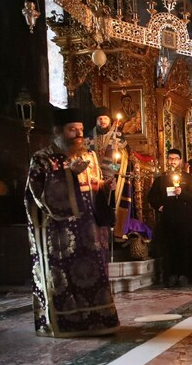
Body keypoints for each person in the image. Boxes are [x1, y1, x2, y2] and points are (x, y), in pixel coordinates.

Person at [25, 107, 120, 337]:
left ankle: (98, 320)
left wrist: (105, 186)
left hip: (90, 231)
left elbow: (93, 187)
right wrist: (68, 174)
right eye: (72, 130)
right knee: (63, 278)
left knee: (95, 276)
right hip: (59, 233)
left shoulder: (89, 156)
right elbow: (35, 194)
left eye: (80, 129)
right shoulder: (42, 158)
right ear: (58, 131)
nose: (78, 134)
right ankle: (67, 323)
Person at [148, 149, 192, 287]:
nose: (173, 161)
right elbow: (152, 196)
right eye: (170, 159)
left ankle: (184, 275)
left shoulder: (188, 179)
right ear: (167, 160)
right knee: (170, 247)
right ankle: (171, 274)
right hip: (168, 218)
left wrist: (182, 193)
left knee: (184, 246)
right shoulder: (162, 179)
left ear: (180, 161)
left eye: (176, 158)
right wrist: (159, 206)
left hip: (184, 218)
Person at [88, 106, 131, 238]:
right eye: (100, 118)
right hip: (94, 179)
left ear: (110, 120)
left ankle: (114, 234)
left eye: (105, 118)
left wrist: (114, 171)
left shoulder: (118, 136)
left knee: (112, 207)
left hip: (113, 178)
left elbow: (126, 158)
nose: (102, 121)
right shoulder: (88, 136)